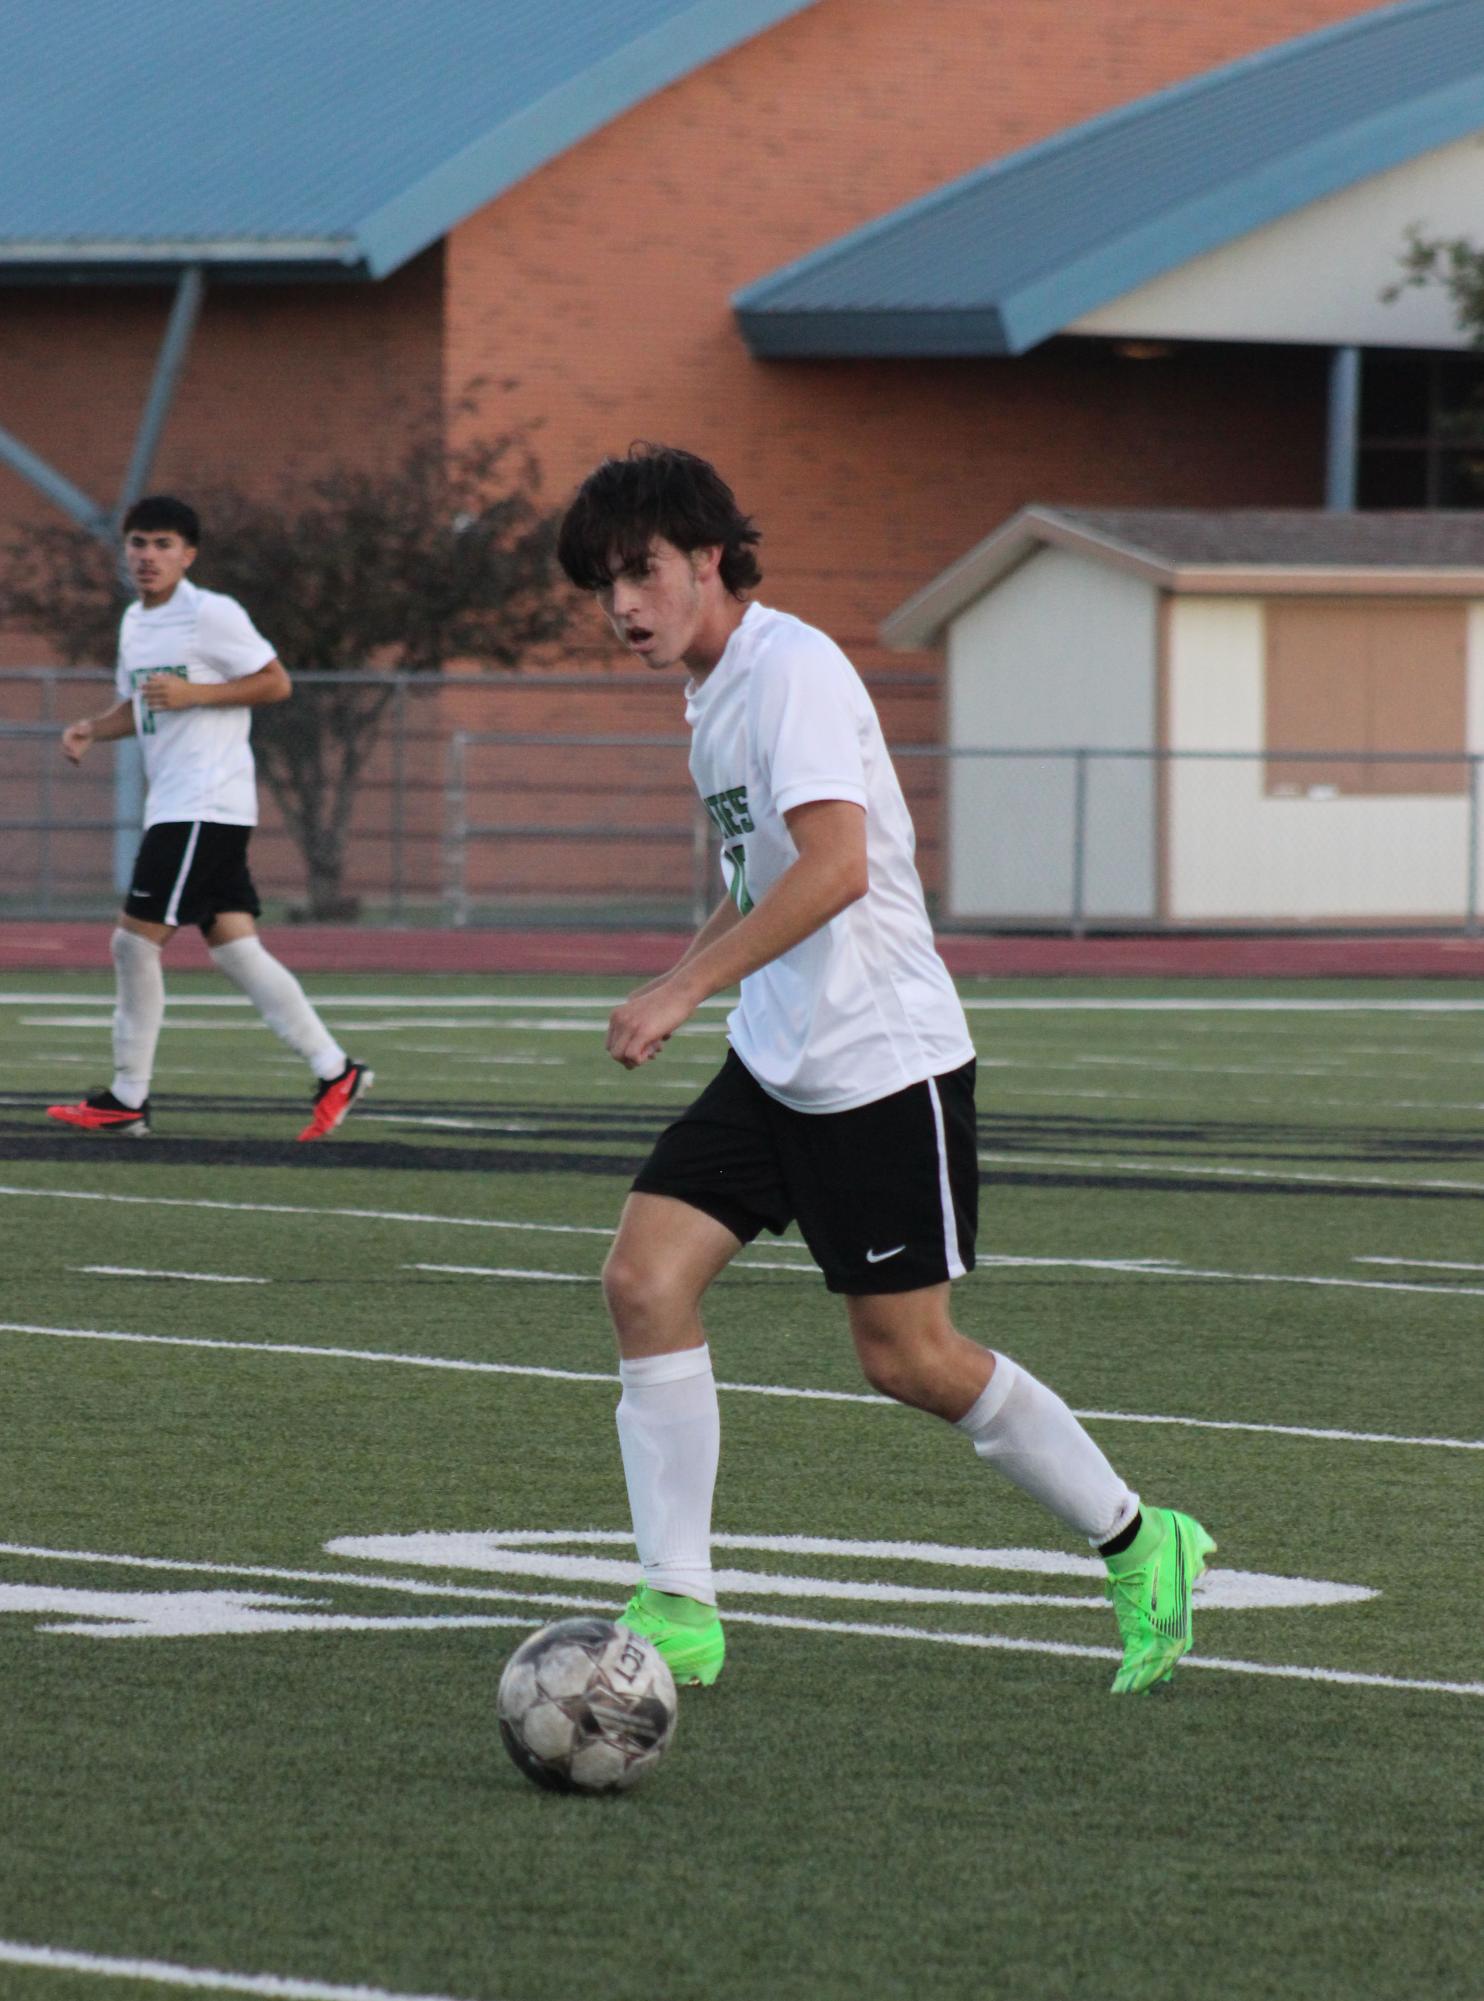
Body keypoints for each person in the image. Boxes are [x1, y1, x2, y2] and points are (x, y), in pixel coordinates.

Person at [557, 444, 1214, 1696]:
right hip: (777, 1055)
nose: (622, 607)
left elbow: (837, 868)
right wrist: (689, 977)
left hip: (879, 1061)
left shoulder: (789, 669)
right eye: (602, 584)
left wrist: (687, 987)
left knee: (906, 1356)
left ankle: (1140, 1541)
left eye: (640, 573)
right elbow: (757, 876)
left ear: (707, 560)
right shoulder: (708, 698)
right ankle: (679, 1603)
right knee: (643, 1282)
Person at [46, 494, 371, 1142]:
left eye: (163, 544)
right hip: (179, 803)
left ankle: (127, 1097)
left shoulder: (211, 613)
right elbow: (138, 707)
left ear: (188, 554)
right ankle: (336, 1069)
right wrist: (92, 727)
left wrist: (200, 692)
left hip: (204, 804)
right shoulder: (136, 623)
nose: (148, 555)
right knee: (237, 950)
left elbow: (275, 682)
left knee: (132, 941)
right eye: (138, 542)